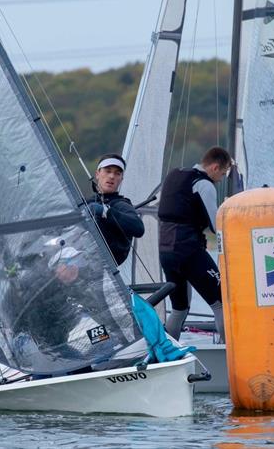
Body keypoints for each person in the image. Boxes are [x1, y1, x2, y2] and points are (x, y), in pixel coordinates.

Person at [157, 146, 232, 342]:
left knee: (180, 307)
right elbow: (217, 226)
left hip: (166, 252)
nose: (221, 178)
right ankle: (227, 353)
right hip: (188, 250)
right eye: (223, 174)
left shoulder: (174, 175)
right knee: (221, 302)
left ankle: (168, 352)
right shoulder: (204, 184)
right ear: (215, 167)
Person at [84, 154, 145, 265]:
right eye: (108, 171)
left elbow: (139, 228)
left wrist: (105, 212)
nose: (112, 176)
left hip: (103, 271)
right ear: (97, 174)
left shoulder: (121, 205)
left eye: (117, 173)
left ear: (121, 179)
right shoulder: (85, 203)